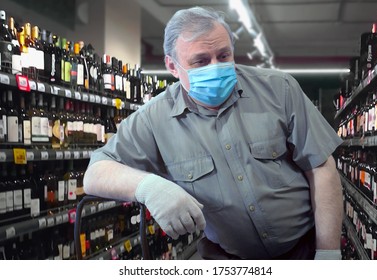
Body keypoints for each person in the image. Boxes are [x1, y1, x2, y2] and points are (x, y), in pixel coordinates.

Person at [83, 6, 344, 260]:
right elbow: (95, 173)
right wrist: (149, 187)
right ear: (173, 67)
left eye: (223, 56)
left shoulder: (279, 89)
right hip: (226, 259)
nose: (216, 67)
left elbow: (321, 167)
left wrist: (329, 254)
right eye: (201, 61)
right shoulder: (153, 119)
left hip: (303, 250)